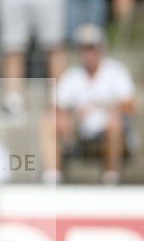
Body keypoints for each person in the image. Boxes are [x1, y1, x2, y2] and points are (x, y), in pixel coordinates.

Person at [40, 24, 136, 185]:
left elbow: (130, 105)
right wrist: (65, 117)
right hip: (80, 131)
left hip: (106, 130)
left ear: (101, 49)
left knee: (114, 123)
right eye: (84, 48)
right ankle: (52, 179)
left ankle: (111, 178)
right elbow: (56, 104)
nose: (89, 53)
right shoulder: (73, 75)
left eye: (92, 48)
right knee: (48, 121)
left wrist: (105, 107)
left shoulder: (116, 71)